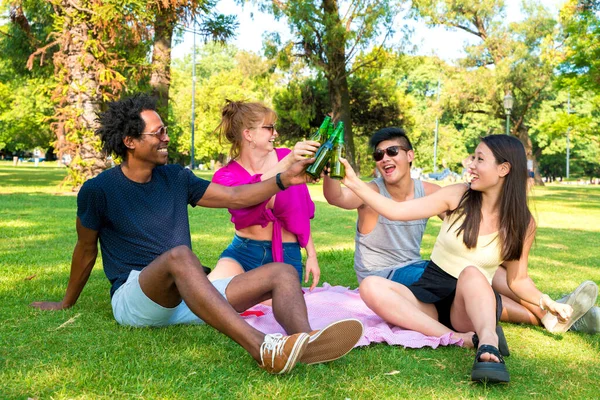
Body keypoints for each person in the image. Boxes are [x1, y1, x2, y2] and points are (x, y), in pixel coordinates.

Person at [30, 94, 363, 375]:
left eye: (166, 131)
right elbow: (86, 250)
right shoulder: (99, 190)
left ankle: (307, 342)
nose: (166, 138)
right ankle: (261, 347)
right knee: (180, 256)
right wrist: (65, 302)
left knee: (283, 272)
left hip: (186, 295)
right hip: (136, 299)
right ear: (130, 142)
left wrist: (282, 180)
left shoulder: (176, 177)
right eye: (157, 133)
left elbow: (234, 197)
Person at [338, 134, 586, 383]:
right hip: (429, 296)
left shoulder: (523, 224)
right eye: (473, 157)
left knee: (471, 273)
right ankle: (459, 338)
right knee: (369, 285)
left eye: (480, 159)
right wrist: (353, 182)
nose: (471, 165)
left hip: (469, 305)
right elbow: (396, 211)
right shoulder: (458, 195)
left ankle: (488, 343)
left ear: (503, 168)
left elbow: (518, 280)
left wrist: (547, 302)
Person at [207, 100, 322, 290]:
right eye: (269, 128)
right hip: (243, 252)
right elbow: (247, 195)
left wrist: (312, 256)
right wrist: (288, 163)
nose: (275, 133)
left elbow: (301, 212)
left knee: (279, 306)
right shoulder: (225, 176)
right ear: (248, 134)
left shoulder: (286, 156)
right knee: (209, 295)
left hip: (286, 254)